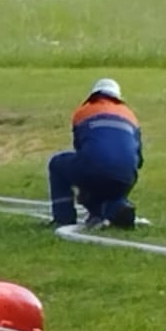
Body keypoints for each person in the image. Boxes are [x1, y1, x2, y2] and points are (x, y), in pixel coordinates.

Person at [47, 78, 141, 230]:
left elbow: (81, 149)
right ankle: (118, 209)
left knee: (57, 165)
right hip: (127, 175)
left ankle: (63, 218)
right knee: (110, 186)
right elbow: (139, 159)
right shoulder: (130, 115)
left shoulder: (83, 112)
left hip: (94, 168)